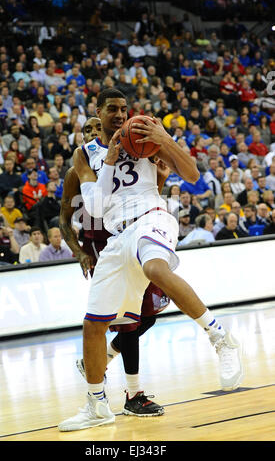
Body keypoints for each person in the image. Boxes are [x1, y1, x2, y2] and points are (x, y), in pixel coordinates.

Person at [58, 88, 243, 432]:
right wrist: (111, 160)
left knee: (155, 268)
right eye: (112, 109)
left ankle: (220, 338)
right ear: (97, 114)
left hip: (151, 216)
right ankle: (97, 403)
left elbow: (192, 176)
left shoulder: (144, 134)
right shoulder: (84, 156)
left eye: (124, 108)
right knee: (93, 324)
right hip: (116, 236)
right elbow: (95, 209)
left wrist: (166, 138)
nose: (119, 114)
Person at [59, 116, 167, 417]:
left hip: (136, 233)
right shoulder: (78, 168)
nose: (95, 132)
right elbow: (64, 218)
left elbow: (152, 191)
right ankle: (133, 395)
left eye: (98, 127)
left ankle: (99, 360)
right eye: (88, 130)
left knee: (148, 317)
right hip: (102, 244)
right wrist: (79, 251)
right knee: (126, 322)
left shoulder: (132, 156)